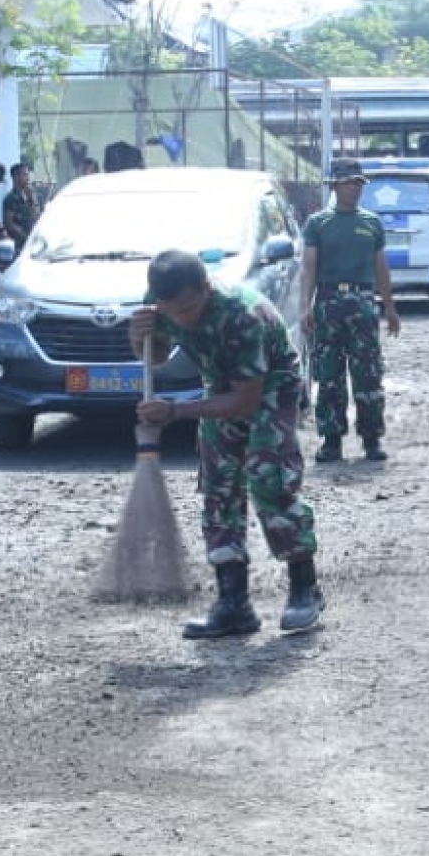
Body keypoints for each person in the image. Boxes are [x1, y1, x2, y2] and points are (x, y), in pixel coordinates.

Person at [129, 248, 322, 638]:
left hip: (271, 385)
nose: (180, 317)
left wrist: (175, 412)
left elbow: (245, 401)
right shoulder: (160, 301)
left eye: (186, 307)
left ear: (205, 287)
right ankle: (234, 603)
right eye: (170, 310)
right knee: (219, 488)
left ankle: (305, 587)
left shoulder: (240, 315)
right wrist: (139, 337)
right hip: (221, 383)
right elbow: (157, 355)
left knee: (269, 478)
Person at [299, 156, 401, 463]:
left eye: (358, 183)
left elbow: (381, 268)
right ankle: (331, 440)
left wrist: (390, 307)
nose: (354, 189)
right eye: (348, 183)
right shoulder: (318, 223)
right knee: (329, 373)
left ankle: (372, 438)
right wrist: (306, 307)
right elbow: (309, 268)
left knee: (368, 372)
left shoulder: (371, 223)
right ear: (335, 185)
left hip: (363, 303)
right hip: (329, 303)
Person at [1, 163, 42, 252]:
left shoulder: (29, 195)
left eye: (28, 174)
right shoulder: (11, 198)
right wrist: (26, 237)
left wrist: (32, 199)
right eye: (25, 174)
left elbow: (37, 216)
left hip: (33, 240)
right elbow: (9, 224)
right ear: (16, 177)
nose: (28, 178)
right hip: (19, 244)